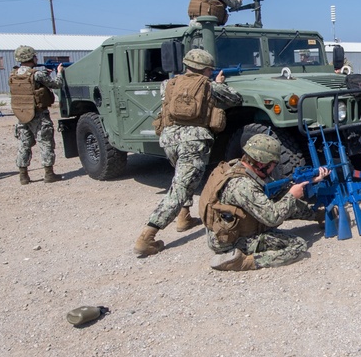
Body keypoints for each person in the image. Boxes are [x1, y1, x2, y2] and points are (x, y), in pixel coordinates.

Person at [133, 49, 244, 257]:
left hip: (169, 139)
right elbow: (235, 98)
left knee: (181, 180)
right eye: (210, 70)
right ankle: (147, 236)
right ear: (206, 69)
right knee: (180, 189)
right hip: (193, 142)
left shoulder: (169, 84)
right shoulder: (209, 86)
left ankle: (184, 217)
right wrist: (219, 84)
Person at [198, 134, 329, 271]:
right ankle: (245, 262)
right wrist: (292, 195)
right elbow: (272, 218)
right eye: (273, 164)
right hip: (231, 240)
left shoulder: (239, 166)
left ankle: (319, 215)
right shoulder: (243, 185)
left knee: (282, 198)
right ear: (261, 163)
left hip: (227, 230)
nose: (274, 168)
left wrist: (309, 181)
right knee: (298, 246)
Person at [10, 45, 65, 185]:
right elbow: (57, 84)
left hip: (21, 114)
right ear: (31, 58)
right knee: (45, 142)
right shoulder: (36, 74)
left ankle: (23, 176)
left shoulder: (14, 74)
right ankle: (49, 174)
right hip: (38, 114)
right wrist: (59, 72)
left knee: (24, 144)